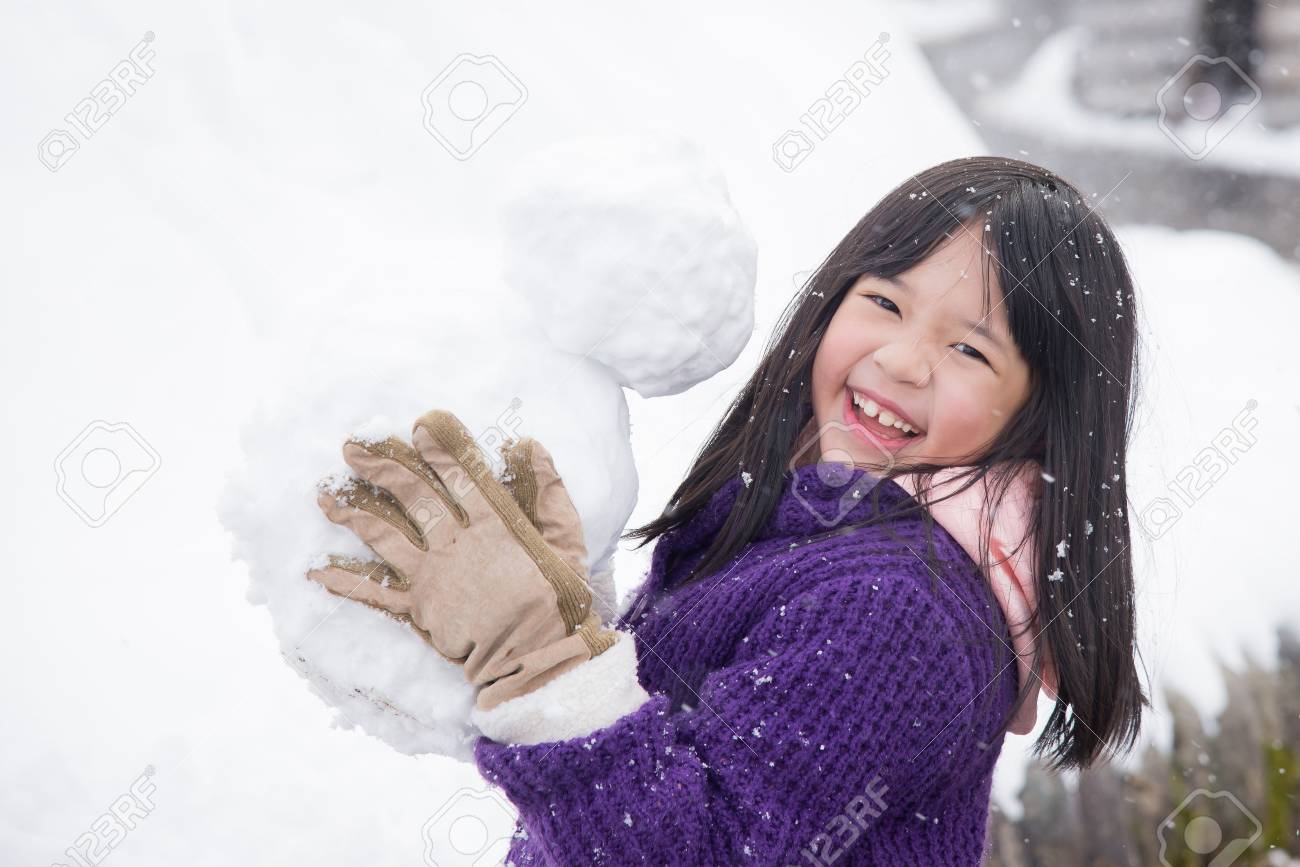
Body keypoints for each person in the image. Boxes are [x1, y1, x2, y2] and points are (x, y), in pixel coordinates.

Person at [316, 155, 1149, 865]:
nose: (903, 359)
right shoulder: (824, 538)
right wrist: (578, 619)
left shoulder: (899, 611)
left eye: (970, 348)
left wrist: (537, 657)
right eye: (886, 303)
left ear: (1040, 417)